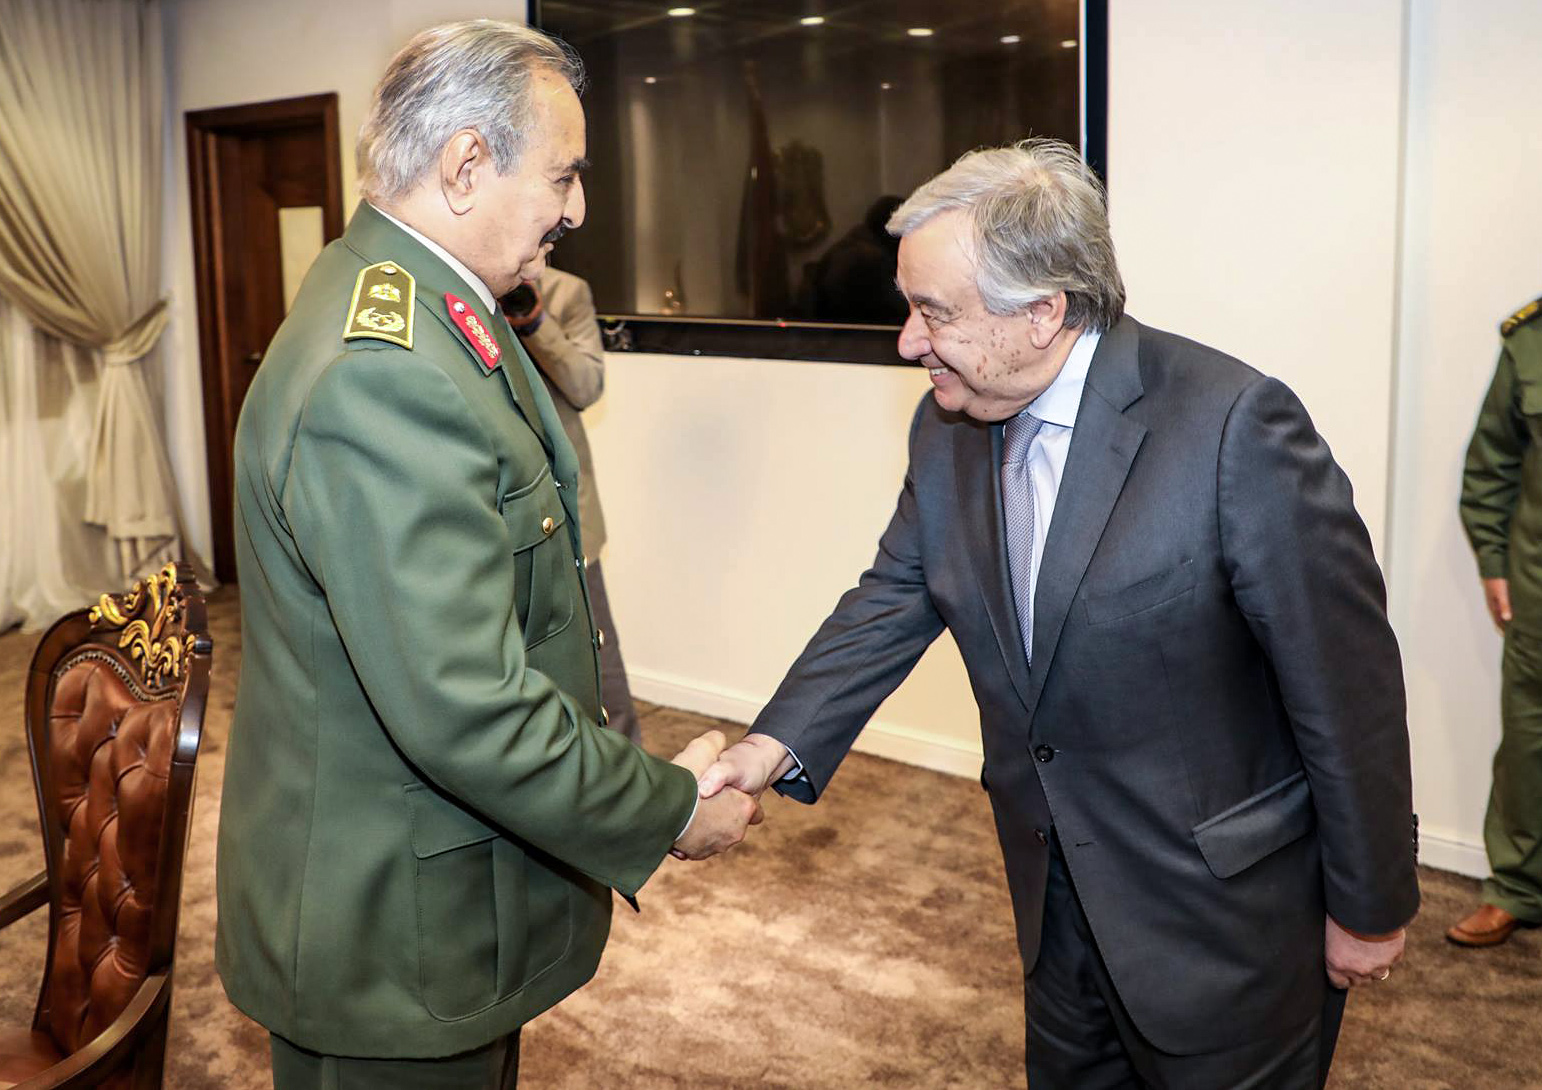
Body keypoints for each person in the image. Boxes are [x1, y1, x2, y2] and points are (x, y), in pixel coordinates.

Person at [700, 139, 1420, 1088]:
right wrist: (767, 748)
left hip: (1223, 921)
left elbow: (1346, 686)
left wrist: (1372, 903)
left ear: (1043, 312)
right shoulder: (947, 423)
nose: (909, 342)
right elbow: (892, 597)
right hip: (1054, 901)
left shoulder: (1232, 427)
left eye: (933, 313)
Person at [215, 21, 760, 1090]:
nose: (578, 206)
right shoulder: (387, 369)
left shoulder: (437, 310)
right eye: (563, 173)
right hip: (386, 940)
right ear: (467, 164)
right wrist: (668, 808)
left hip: (439, 907)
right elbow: (465, 702)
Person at [501, 270, 640, 743]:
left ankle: (628, 774)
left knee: (596, 656)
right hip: (495, 506)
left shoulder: (568, 292)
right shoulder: (459, 289)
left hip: (566, 505)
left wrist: (535, 322)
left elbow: (585, 386)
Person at [1454, 295, 1542, 947]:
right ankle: (1517, 886)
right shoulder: (1529, 340)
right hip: (1537, 589)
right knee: (1527, 740)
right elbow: (1492, 466)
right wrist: (1493, 559)